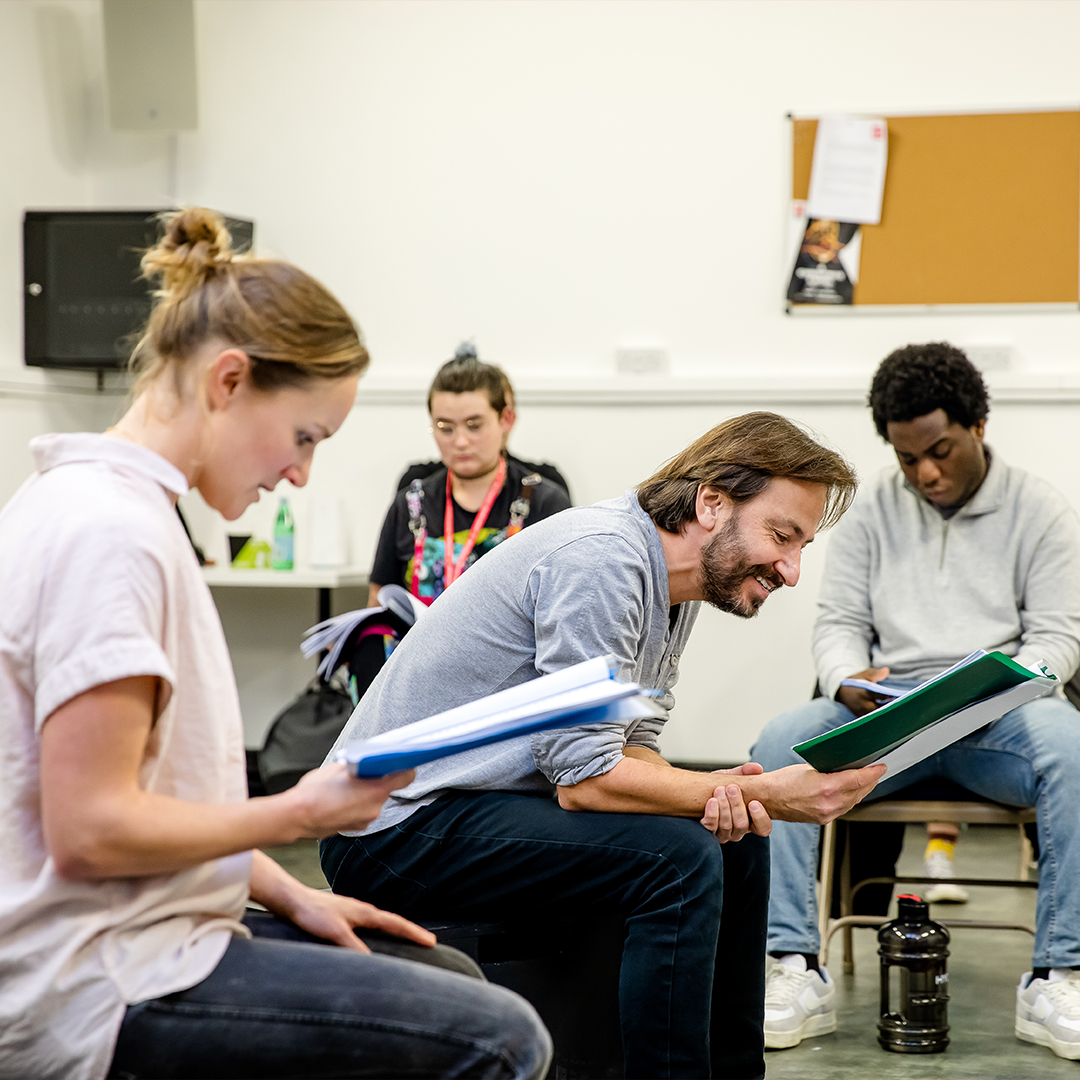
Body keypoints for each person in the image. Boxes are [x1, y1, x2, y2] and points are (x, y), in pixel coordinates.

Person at [0, 209, 551, 1080]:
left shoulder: (98, 504)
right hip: (98, 982)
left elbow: (154, 797)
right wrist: (303, 813)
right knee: (501, 1039)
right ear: (229, 381)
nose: (300, 473)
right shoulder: (107, 533)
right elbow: (92, 831)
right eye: (304, 438)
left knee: (441, 968)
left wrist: (291, 889)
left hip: (152, 928)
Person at [321, 412, 886, 1080]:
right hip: (393, 828)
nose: (791, 570)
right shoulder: (603, 560)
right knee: (679, 859)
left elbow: (630, 743)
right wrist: (760, 790)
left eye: (802, 547)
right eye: (782, 536)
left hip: (472, 806)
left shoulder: (675, 586)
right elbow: (584, 779)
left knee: (738, 838)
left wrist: (728, 796)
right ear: (711, 503)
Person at [750, 342, 1080, 1059]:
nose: (924, 473)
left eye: (939, 450)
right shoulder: (871, 511)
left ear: (978, 425)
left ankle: (1058, 973)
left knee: (1073, 747)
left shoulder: (1041, 511)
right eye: (906, 459)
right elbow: (837, 623)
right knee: (778, 742)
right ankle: (792, 967)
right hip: (887, 724)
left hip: (997, 720)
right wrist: (846, 682)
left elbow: (1058, 637)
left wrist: (1010, 683)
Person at [368, 345, 572, 605]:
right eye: (445, 428)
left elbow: (567, 602)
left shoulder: (546, 503)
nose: (461, 441)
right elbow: (378, 599)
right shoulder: (409, 504)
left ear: (506, 419)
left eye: (474, 426)